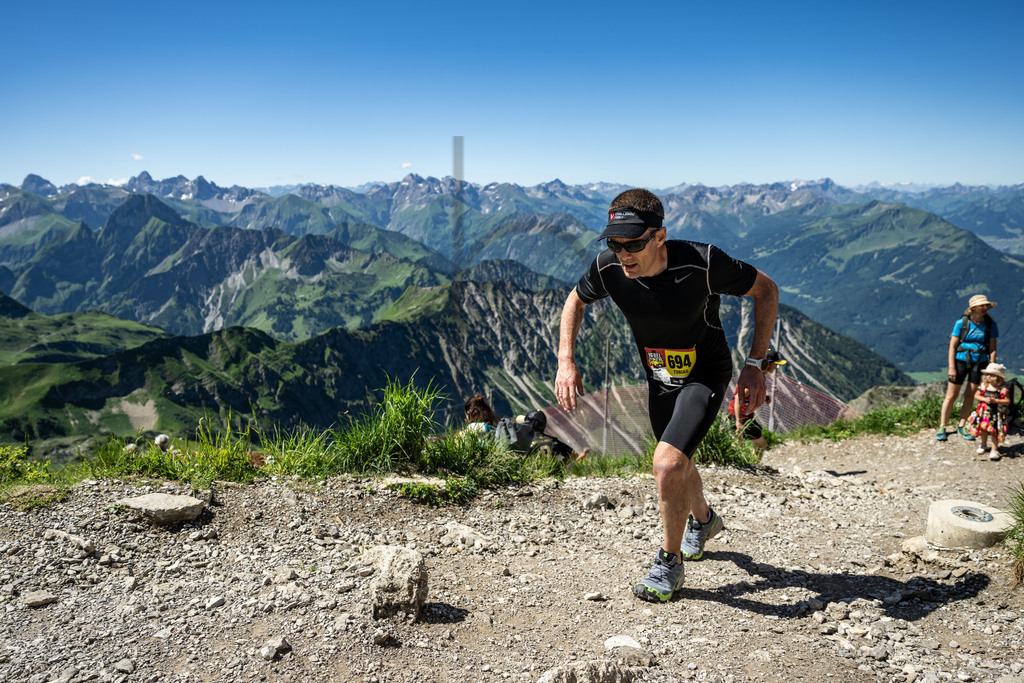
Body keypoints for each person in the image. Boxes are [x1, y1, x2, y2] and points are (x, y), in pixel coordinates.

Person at [555, 188, 778, 603]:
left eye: (634, 243)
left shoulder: (704, 262)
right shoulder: (609, 269)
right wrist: (566, 358)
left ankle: (669, 564)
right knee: (678, 462)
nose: (623, 254)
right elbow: (575, 299)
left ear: (660, 236)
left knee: (666, 463)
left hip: (706, 375)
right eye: (615, 243)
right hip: (660, 380)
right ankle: (705, 520)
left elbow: (766, 290)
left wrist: (754, 363)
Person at [937, 294, 998, 442]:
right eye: (982, 306)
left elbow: (993, 348)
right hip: (960, 363)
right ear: (974, 308)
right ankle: (942, 426)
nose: (985, 308)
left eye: (986, 305)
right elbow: (952, 346)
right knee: (951, 396)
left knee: (970, 396)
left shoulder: (991, 324)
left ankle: (962, 425)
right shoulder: (962, 323)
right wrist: (951, 367)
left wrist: (991, 368)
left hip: (980, 363)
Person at [728, 349, 786, 454]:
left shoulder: (757, 375)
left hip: (743, 415)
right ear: (768, 364)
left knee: (746, 444)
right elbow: (738, 398)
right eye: (775, 364)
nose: (776, 367)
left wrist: (764, 398)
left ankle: (751, 466)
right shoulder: (755, 378)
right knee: (757, 445)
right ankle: (748, 466)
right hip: (741, 416)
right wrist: (738, 421)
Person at [967, 363, 1010, 460]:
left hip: (996, 414)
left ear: (998, 377)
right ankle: (983, 444)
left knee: (994, 431)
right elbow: (976, 396)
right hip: (984, 413)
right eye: (987, 374)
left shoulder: (1002, 389)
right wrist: (984, 399)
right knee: (983, 429)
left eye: (991, 375)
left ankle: (994, 449)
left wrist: (996, 401)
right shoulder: (983, 387)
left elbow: (1007, 401)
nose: (988, 377)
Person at [516, 410, 590, 465]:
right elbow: (574, 454)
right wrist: (558, 466)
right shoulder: (553, 441)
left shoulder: (525, 442)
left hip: (533, 477)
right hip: (553, 475)